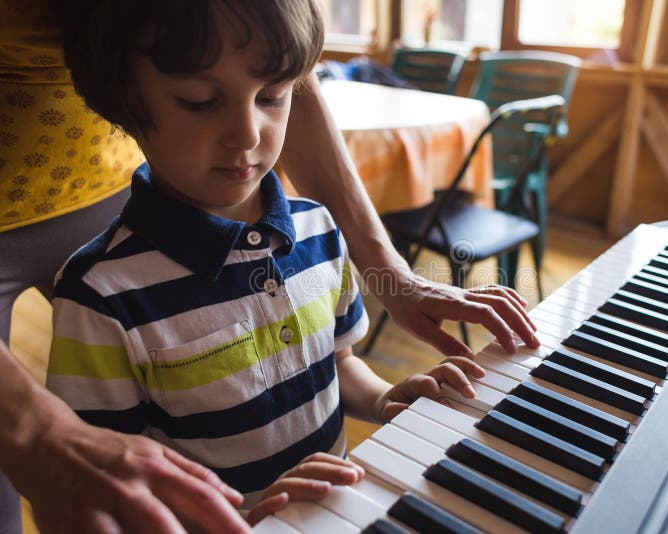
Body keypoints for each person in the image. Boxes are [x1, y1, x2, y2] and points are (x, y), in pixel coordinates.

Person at [0, 0, 538, 532]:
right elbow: (116, 485)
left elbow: (335, 361)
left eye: (274, 96)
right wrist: (247, 519)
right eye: (200, 99)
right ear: (120, 99)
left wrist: (383, 398)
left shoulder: (320, 230)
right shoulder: (100, 296)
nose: (249, 134)